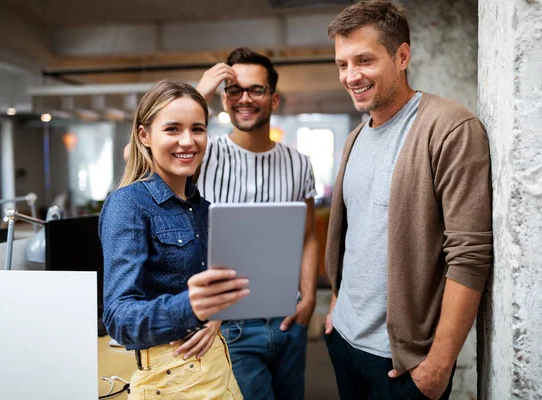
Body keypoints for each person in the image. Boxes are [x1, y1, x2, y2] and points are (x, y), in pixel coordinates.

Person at [323, 2, 493, 399]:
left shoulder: (450, 128)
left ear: (402, 56)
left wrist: (438, 364)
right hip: (344, 340)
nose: (352, 76)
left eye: (364, 60)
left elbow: (469, 255)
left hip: (402, 364)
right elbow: (353, 237)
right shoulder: (356, 138)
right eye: (342, 64)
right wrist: (335, 308)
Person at [99, 80, 249, 399]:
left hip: (218, 367)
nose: (188, 141)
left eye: (197, 129)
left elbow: (213, 291)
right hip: (171, 379)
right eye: (172, 129)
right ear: (144, 136)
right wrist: (190, 308)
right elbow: (118, 317)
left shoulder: (204, 208)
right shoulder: (128, 205)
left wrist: (215, 314)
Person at [195, 47, 319, 400]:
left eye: (256, 90)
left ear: (274, 99)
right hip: (227, 325)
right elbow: (138, 154)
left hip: (288, 320)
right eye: (234, 89)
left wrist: (309, 298)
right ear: (223, 98)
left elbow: (307, 236)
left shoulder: (299, 163)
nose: (244, 99)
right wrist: (197, 94)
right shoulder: (203, 153)